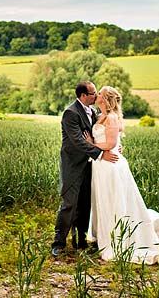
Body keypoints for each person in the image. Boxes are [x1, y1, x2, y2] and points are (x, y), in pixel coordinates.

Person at [85, 85, 159, 264]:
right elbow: (112, 142)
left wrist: (90, 145)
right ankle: (102, 235)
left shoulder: (111, 118)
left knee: (113, 200)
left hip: (110, 165)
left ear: (106, 99)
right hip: (101, 165)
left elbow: (110, 144)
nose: (97, 95)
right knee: (103, 200)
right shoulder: (99, 115)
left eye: (100, 94)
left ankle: (117, 238)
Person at [51, 81, 119, 257]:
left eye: (97, 93)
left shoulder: (94, 112)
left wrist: (113, 147)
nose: (96, 96)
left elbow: (104, 134)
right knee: (69, 204)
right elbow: (78, 141)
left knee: (85, 204)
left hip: (92, 166)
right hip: (73, 166)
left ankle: (80, 241)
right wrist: (101, 153)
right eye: (93, 93)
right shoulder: (70, 113)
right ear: (83, 96)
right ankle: (58, 243)